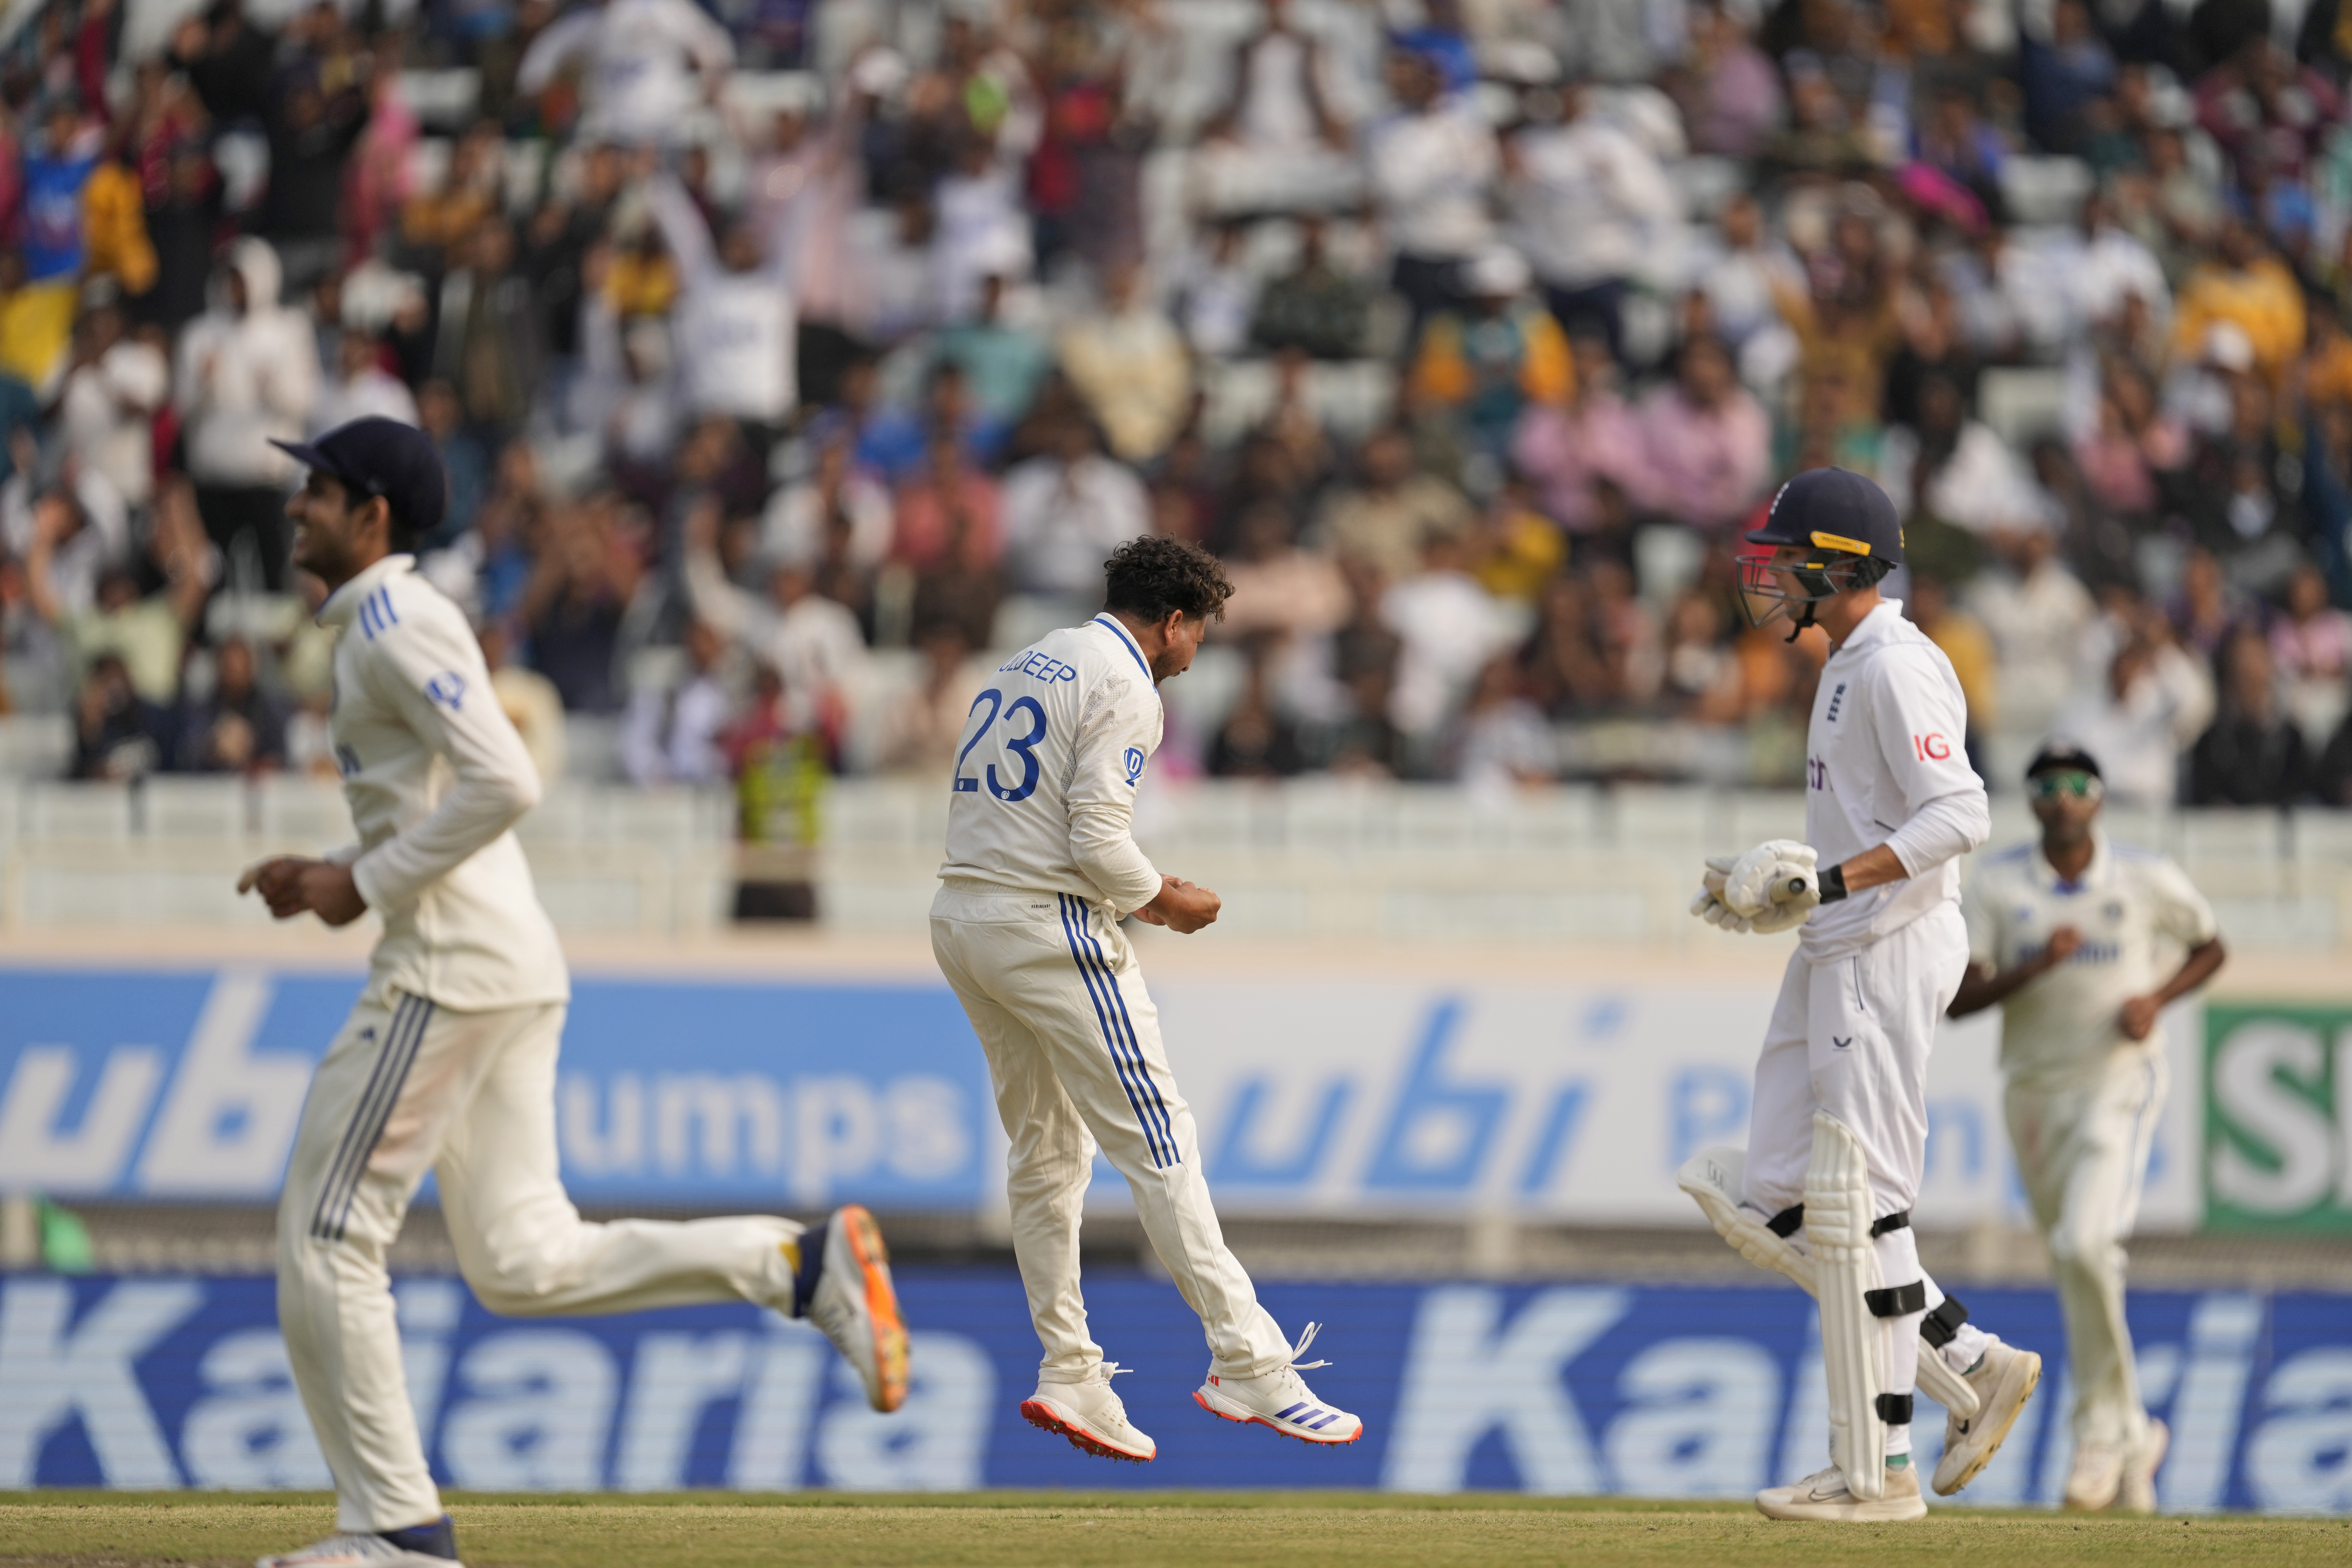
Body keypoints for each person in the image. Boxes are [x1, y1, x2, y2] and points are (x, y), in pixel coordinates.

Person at [236, 418, 906, 1568]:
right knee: (523, 1260)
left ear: (372, 515)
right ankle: (796, 1267)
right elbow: (453, 794)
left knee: (328, 1230)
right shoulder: (380, 629)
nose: (297, 507)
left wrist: (362, 880)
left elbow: (509, 777)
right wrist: (336, 868)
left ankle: (395, 1532)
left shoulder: (397, 622)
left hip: (448, 966)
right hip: (499, 959)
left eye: (319, 490)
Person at [929, 536, 1361, 1464]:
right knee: (1162, 1142)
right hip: (1050, 927)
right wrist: (1164, 899)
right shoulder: (1128, 682)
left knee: (1046, 1153)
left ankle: (1070, 1370)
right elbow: (1095, 837)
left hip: (964, 915)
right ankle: (1250, 1360)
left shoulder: (1029, 659)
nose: (1196, 653)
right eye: (1197, 631)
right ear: (1171, 621)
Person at [1681, 467, 2042, 1521]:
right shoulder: (1847, 662)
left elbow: (1961, 813)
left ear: (1839, 566)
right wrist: (1769, 893)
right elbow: (1863, 826)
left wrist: (1830, 885)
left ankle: (1877, 1474)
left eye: (1788, 557)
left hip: (1883, 951)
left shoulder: (1894, 666)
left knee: (1865, 1209)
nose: (1770, 576)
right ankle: (1970, 1362)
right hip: (1835, 947)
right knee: (1771, 1198)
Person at [1950, 746, 2225, 1513]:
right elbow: (1959, 999)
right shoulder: (2002, 882)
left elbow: (2211, 947)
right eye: (2048, 788)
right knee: (2075, 1263)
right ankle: (2135, 1437)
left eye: (2078, 787)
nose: (2064, 799)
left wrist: (2156, 1000)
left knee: (2085, 1245)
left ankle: (2098, 1431)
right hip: (2033, 1095)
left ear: (2099, 799)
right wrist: (2033, 968)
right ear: (2033, 801)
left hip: (2118, 1085)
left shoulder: (2144, 873)